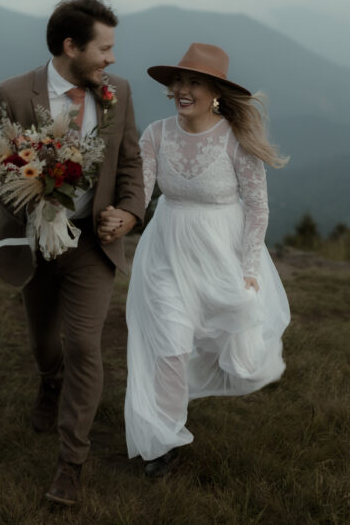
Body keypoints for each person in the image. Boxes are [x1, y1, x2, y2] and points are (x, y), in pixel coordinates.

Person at [0, 0, 144, 506]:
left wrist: (130, 212)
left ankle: (71, 463)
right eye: (104, 48)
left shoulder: (118, 92)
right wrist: (36, 194)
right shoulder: (11, 93)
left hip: (91, 245)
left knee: (83, 346)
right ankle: (49, 381)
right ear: (71, 47)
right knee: (45, 346)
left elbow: (131, 162)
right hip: (34, 242)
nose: (112, 59)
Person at [124, 42, 291, 477]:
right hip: (166, 250)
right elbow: (139, 194)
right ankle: (162, 441)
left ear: (215, 91)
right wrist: (119, 217)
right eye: (179, 81)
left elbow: (257, 208)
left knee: (236, 352)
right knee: (170, 344)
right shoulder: (156, 134)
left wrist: (250, 269)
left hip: (220, 253)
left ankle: (182, 397)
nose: (183, 90)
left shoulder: (236, 141)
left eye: (194, 82)